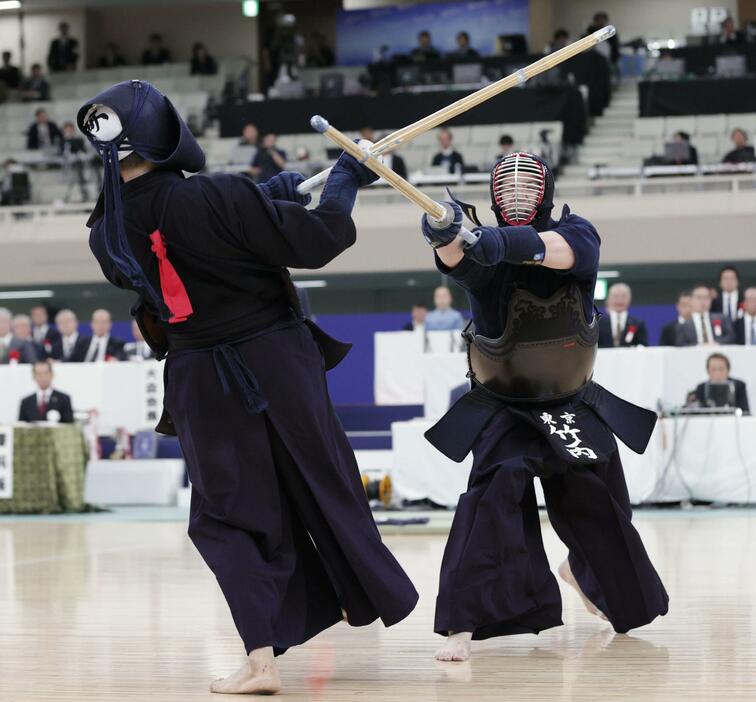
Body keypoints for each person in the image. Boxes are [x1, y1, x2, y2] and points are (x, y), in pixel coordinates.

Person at [77, 79, 417, 693]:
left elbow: (196, 235)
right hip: (276, 361)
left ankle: (261, 660)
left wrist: (271, 196)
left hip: (197, 379)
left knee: (227, 513)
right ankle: (350, 593)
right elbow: (316, 240)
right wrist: (343, 185)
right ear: (164, 132)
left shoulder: (104, 232)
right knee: (321, 477)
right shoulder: (215, 196)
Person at [419, 150, 668, 662]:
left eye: (527, 185)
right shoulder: (479, 252)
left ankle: (586, 574)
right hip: (505, 406)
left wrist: (491, 241)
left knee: (599, 502)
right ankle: (463, 624)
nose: (516, 193)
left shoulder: (577, 234)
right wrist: (443, 235)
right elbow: (457, 261)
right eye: (505, 186)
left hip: (569, 401)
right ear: (491, 194)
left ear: (546, 191)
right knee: (490, 502)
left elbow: (550, 250)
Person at [598, 282, 648, 347]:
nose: (620, 300)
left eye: (624, 296)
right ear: (609, 299)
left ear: (629, 299)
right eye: (616, 296)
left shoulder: (638, 323)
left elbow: (643, 346)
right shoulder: (599, 323)